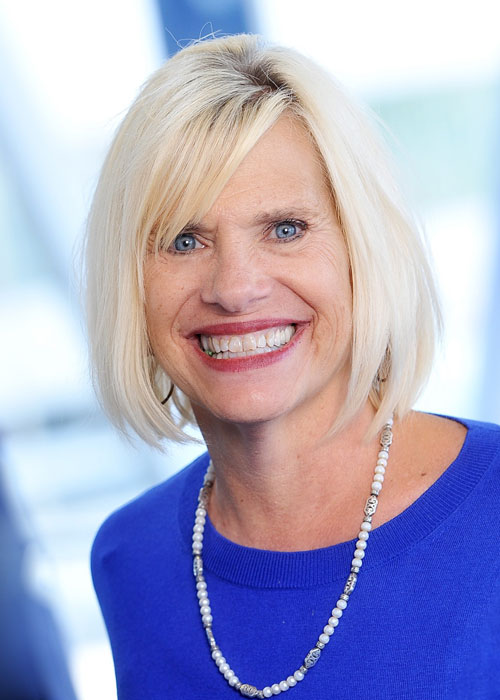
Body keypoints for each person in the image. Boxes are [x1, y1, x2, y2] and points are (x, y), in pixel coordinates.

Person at [86, 34, 500, 699]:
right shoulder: (129, 560)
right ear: (130, 283)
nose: (234, 288)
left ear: (364, 251)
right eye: (184, 240)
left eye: (285, 229)